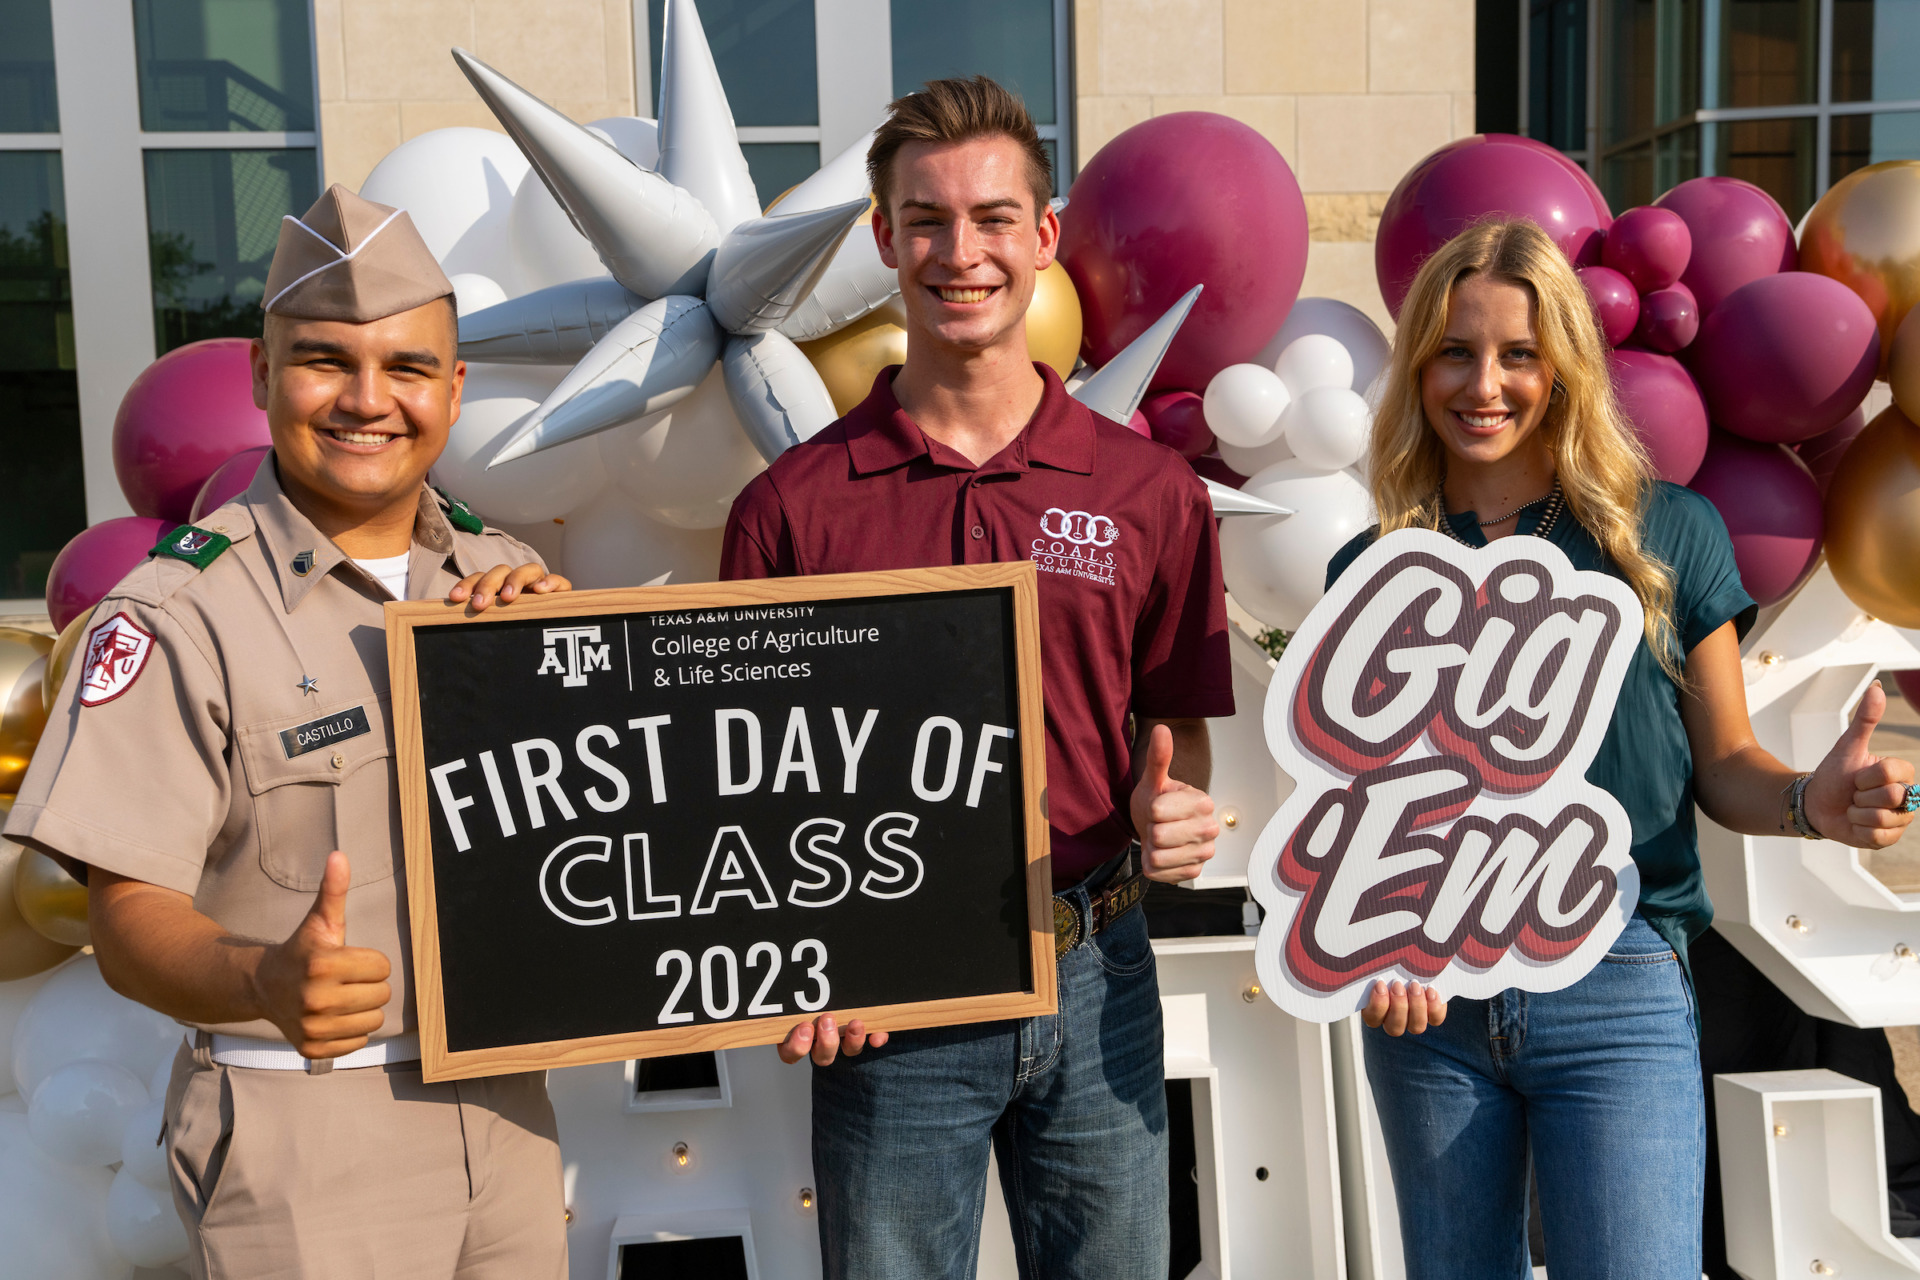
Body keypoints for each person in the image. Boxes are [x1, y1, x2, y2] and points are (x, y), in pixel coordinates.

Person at [1326, 217, 1920, 1279]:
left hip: (1617, 975)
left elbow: (1728, 762)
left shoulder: (1668, 536)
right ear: (1417, 365)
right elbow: (1365, 803)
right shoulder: (1372, 568)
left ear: (1567, 365)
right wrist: (1372, 933)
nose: (1485, 383)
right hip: (1431, 1006)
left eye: (1520, 353)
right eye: (1455, 351)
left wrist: (1809, 803)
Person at [4, 186, 573, 1280]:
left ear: (453, 391)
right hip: (308, 1123)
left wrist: (563, 657)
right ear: (264, 377)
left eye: (407, 367)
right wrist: (264, 976)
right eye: (325, 361)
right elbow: (126, 921)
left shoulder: (500, 576)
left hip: (510, 1115)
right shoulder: (175, 614)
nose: (369, 399)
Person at [720, 76, 1233, 1279]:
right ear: (885, 239)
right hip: (886, 996)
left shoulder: (1145, 491)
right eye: (930, 220)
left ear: (1044, 237)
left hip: (1098, 969)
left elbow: (1175, 733)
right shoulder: (790, 508)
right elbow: (746, 778)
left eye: (995, 218)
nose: (965, 252)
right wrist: (810, 952)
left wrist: (1179, 807)